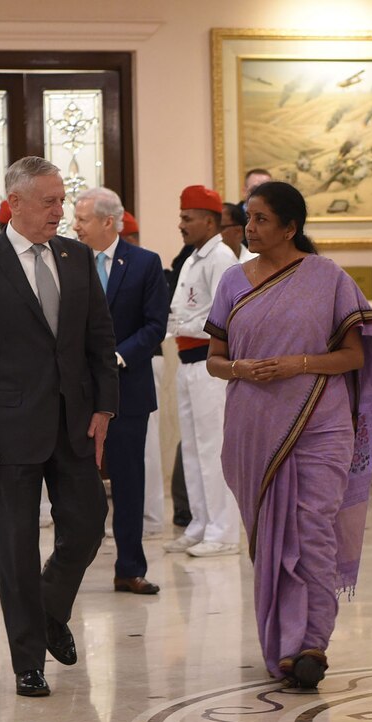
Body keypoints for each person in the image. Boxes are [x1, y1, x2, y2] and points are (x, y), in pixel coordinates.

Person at [204, 181, 372, 688]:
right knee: (270, 538)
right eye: (248, 218)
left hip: (320, 422)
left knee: (312, 529)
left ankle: (311, 644)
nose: (250, 228)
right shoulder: (232, 282)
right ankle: (285, 643)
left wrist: (298, 364)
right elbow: (214, 360)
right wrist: (241, 368)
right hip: (253, 427)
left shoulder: (326, 278)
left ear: (291, 227)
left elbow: (355, 355)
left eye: (262, 219)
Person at [0, 156, 118, 698]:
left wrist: (103, 409)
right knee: (16, 548)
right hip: (6, 430)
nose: (59, 211)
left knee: (88, 524)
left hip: (72, 422)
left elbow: (99, 338)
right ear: (14, 203)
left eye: (62, 200)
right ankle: (27, 661)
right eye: (49, 201)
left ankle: (48, 609)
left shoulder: (76, 256)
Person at [73, 187, 168, 596]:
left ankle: (129, 567)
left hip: (127, 390)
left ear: (108, 222)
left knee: (129, 481)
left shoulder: (145, 264)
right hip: (75, 391)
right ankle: (69, 567)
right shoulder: (66, 260)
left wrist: (115, 358)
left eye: (82, 219)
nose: (74, 226)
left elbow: (154, 326)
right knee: (75, 482)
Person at [162, 185, 241, 558]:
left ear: (209, 222)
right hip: (186, 362)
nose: (181, 224)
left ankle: (224, 531)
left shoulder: (221, 258)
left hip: (210, 364)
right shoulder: (194, 258)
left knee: (214, 448)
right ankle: (199, 523)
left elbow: (227, 316)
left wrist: (183, 325)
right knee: (192, 447)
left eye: (187, 218)